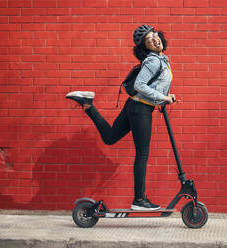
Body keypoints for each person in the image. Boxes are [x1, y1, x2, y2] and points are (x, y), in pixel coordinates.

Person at [65, 25, 176, 210]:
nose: (155, 40)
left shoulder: (161, 59)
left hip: (135, 105)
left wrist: (164, 99)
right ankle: (139, 201)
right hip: (140, 109)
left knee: (110, 137)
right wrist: (163, 98)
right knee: (142, 155)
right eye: (149, 40)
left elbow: (153, 85)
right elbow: (140, 85)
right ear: (145, 47)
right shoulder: (153, 61)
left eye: (155, 35)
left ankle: (87, 104)